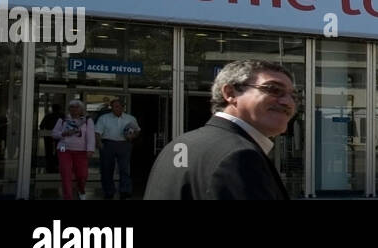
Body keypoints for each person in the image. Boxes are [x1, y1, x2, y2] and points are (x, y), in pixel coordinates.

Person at [144, 59, 297, 200]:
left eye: (293, 96)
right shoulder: (240, 155)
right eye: (273, 89)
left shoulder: (179, 144)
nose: (288, 102)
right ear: (230, 93)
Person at [95, 98, 140, 200]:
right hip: (108, 144)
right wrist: (99, 143)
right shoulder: (104, 118)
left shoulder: (130, 118)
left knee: (124, 169)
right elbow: (97, 132)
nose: (115, 109)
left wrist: (132, 136)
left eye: (118, 106)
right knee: (107, 169)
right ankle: (108, 191)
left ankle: (125, 191)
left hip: (124, 144)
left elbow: (137, 131)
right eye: (114, 107)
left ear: (122, 107)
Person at [52, 99, 96, 200]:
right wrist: (63, 134)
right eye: (72, 107)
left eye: (77, 107)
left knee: (82, 175)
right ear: (69, 109)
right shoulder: (63, 119)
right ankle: (68, 197)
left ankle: (81, 190)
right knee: (66, 173)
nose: (74, 109)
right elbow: (54, 134)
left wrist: (90, 149)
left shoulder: (87, 120)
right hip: (64, 148)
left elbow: (91, 136)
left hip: (81, 151)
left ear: (81, 109)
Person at [39, 103, 63, 174]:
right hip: (60, 137)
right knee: (59, 150)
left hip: (48, 137)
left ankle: (49, 165)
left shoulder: (48, 116)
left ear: (52, 109)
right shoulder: (62, 116)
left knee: (49, 151)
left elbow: (41, 126)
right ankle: (57, 164)